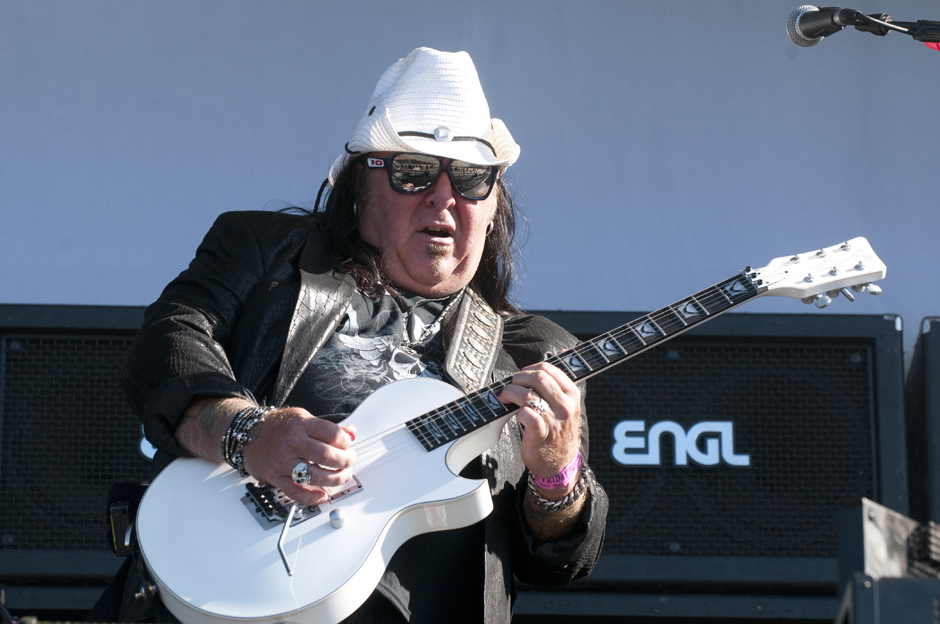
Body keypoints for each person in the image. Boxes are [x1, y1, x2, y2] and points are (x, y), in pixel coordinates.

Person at [118, 47, 608, 623]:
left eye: (471, 178)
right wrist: (247, 432)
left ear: (494, 202)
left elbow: (558, 559)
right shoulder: (265, 252)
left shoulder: (534, 351)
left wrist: (557, 474)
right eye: (413, 172)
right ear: (361, 184)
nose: (443, 196)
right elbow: (167, 341)